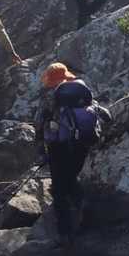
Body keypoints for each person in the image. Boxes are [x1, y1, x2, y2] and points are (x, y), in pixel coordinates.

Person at [37, 62, 109, 246]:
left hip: (58, 146)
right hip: (82, 144)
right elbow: (105, 115)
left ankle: (64, 234)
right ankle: (82, 205)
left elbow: (40, 124)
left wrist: (41, 152)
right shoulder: (80, 92)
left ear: (50, 80)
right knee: (70, 177)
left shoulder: (50, 97)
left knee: (59, 189)